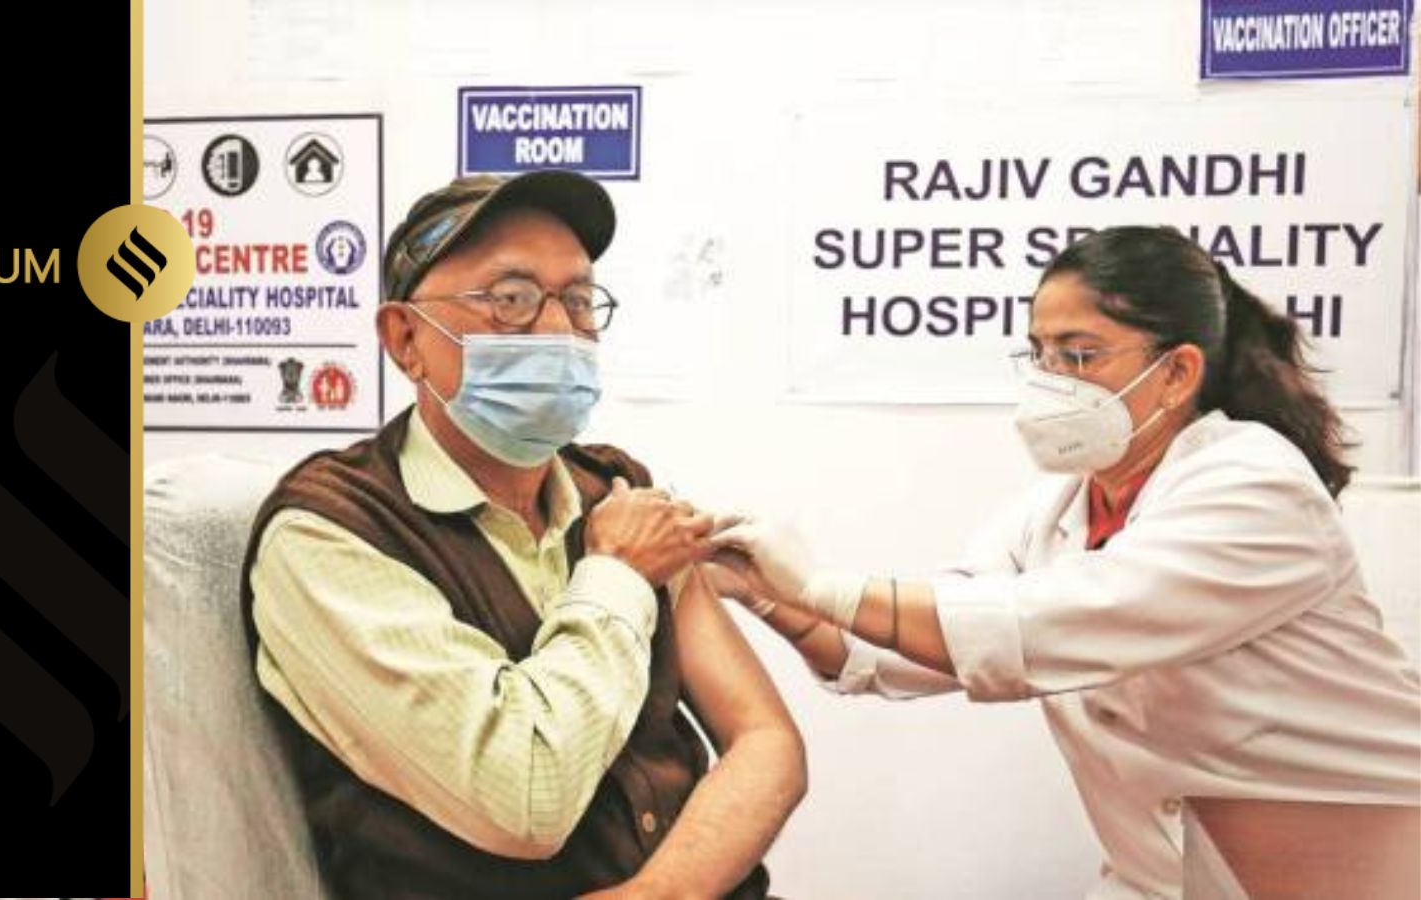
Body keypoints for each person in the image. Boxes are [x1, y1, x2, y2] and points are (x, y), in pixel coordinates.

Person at [708, 226, 1421, 899]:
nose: (1052, 380)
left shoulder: (1255, 484)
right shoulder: (1060, 509)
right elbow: (907, 650)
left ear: (1177, 373)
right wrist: (767, 596)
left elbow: (1041, 625)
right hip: (1160, 878)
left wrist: (818, 585)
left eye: (1079, 356)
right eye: (1041, 354)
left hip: (1362, 869)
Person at [239, 170, 805, 900]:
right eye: (509, 299)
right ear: (405, 337)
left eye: (577, 299)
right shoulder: (332, 534)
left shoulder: (616, 490)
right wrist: (619, 576)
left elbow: (767, 740)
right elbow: (525, 799)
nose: (557, 330)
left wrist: (661, 894)